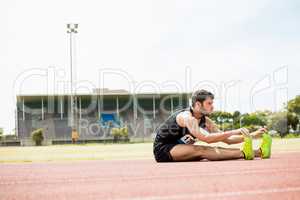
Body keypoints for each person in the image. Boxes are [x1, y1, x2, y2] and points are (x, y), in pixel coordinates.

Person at [153, 89, 272, 162]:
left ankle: (259, 152)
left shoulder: (206, 121)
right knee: (202, 149)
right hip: (163, 149)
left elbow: (227, 140)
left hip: (180, 148)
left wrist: (252, 135)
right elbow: (206, 139)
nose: (212, 106)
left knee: (215, 150)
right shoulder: (187, 118)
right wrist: (235, 131)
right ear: (198, 104)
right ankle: (244, 154)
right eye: (209, 103)